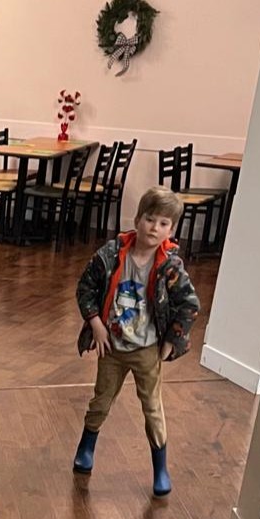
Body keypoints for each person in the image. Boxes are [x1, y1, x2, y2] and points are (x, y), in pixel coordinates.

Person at [71, 186, 200, 496]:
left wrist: (171, 341)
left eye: (163, 224)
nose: (154, 228)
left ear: (172, 228)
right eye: (150, 220)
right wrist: (96, 325)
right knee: (101, 400)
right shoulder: (111, 255)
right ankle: (86, 448)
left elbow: (189, 305)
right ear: (138, 218)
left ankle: (161, 468)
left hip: (147, 349)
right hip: (111, 347)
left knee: (152, 408)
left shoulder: (170, 266)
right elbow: (85, 287)